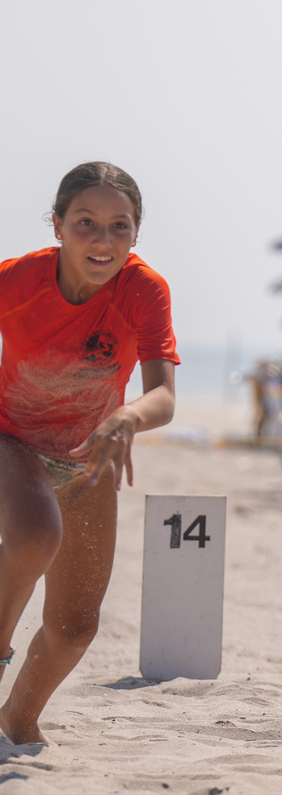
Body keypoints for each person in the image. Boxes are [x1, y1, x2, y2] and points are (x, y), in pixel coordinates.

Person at [0, 162, 178, 744]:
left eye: (119, 227)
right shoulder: (16, 281)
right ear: (57, 225)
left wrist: (126, 416)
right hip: (12, 439)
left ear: (134, 233)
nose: (103, 241)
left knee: (75, 628)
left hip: (91, 451)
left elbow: (163, 397)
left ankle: (18, 719)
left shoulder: (143, 289)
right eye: (85, 224)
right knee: (33, 538)